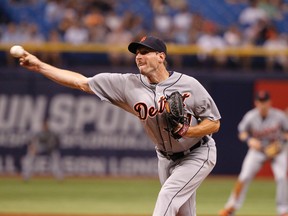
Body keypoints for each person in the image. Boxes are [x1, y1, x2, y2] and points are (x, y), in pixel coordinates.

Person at [18, 36, 221, 215]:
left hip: (198, 153)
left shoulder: (189, 84)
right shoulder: (127, 84)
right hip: (165, 159)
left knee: (167, 196)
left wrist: (190, 131)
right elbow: (81, 82)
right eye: (136, 53)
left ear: (161, 57)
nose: (139, 57)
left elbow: (214, 123)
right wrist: (39, 65)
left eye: (145, 52)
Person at [219, 91, 288, 216]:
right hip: (258, 151)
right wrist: (249, 140)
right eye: (260, 102)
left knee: (282, 178)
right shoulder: (250, 116)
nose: (262, 104)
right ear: (256, 103)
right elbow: (242, 132)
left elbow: (287, 133)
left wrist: (280, 143)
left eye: (265, 101)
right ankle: (231, 207)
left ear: (269, 102)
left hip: (277, 151)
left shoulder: (279, 116)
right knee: (244, 177)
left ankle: (283, 211)